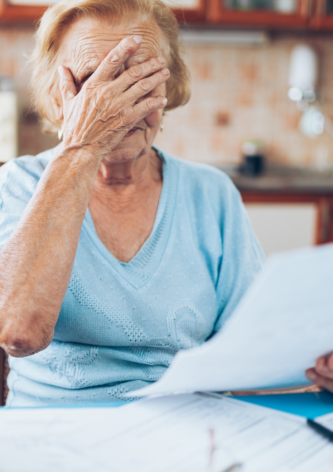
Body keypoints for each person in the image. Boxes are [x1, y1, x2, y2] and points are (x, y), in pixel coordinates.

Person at [4, 0, 326, 408]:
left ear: (168, 88)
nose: (117, 106)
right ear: (57, 94)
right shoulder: (18, 184)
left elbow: (253, 356)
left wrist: (314, 368)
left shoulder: (211, 193)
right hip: (55, 435)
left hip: (186, 434)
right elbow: (18, 333)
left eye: (140, 78)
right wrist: (82, 146)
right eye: (95, 83)